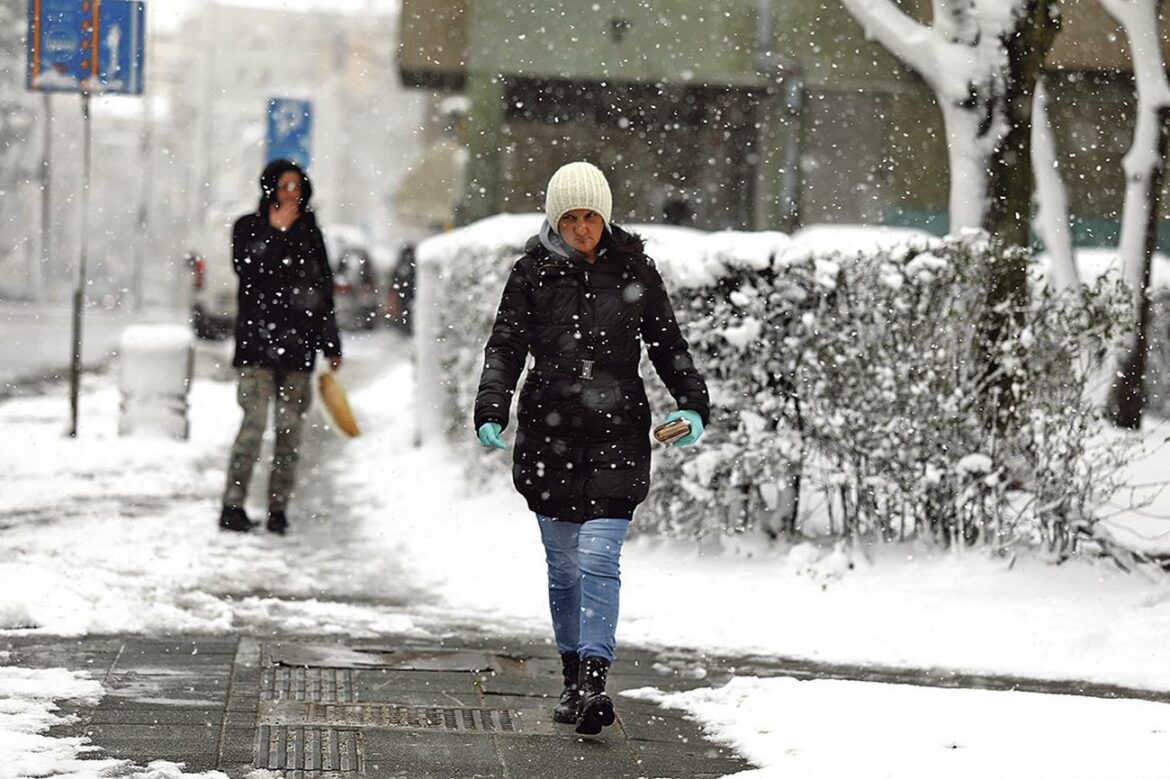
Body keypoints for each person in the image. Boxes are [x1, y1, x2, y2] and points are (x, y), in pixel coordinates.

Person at [474, 161, 709, 735]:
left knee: (600, 557)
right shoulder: (531, 273)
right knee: (563, 567)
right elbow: (505, 345)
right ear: (555, 220)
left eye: (592, 217)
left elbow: (667, 346)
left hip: (618, 427)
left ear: (606, 216)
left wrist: (693, 406)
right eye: (571, 219)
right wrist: (491, 407)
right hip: (549, 430)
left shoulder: (636, 270)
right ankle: (571, 673)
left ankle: (594, 683)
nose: (583, 229)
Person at [218, 158, 343, 535]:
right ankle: (233, 505)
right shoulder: (247, 228)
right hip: (256, 346)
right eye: (285, 186)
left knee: (289, 433)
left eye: (297, 187)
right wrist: (276, 233)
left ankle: (278, 509)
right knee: (253, 427)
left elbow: (323, 291)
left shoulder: (310, 233)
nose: (292, 194)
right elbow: (248, 269)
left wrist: (331, 343)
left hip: (298, 348)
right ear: (270, 188)